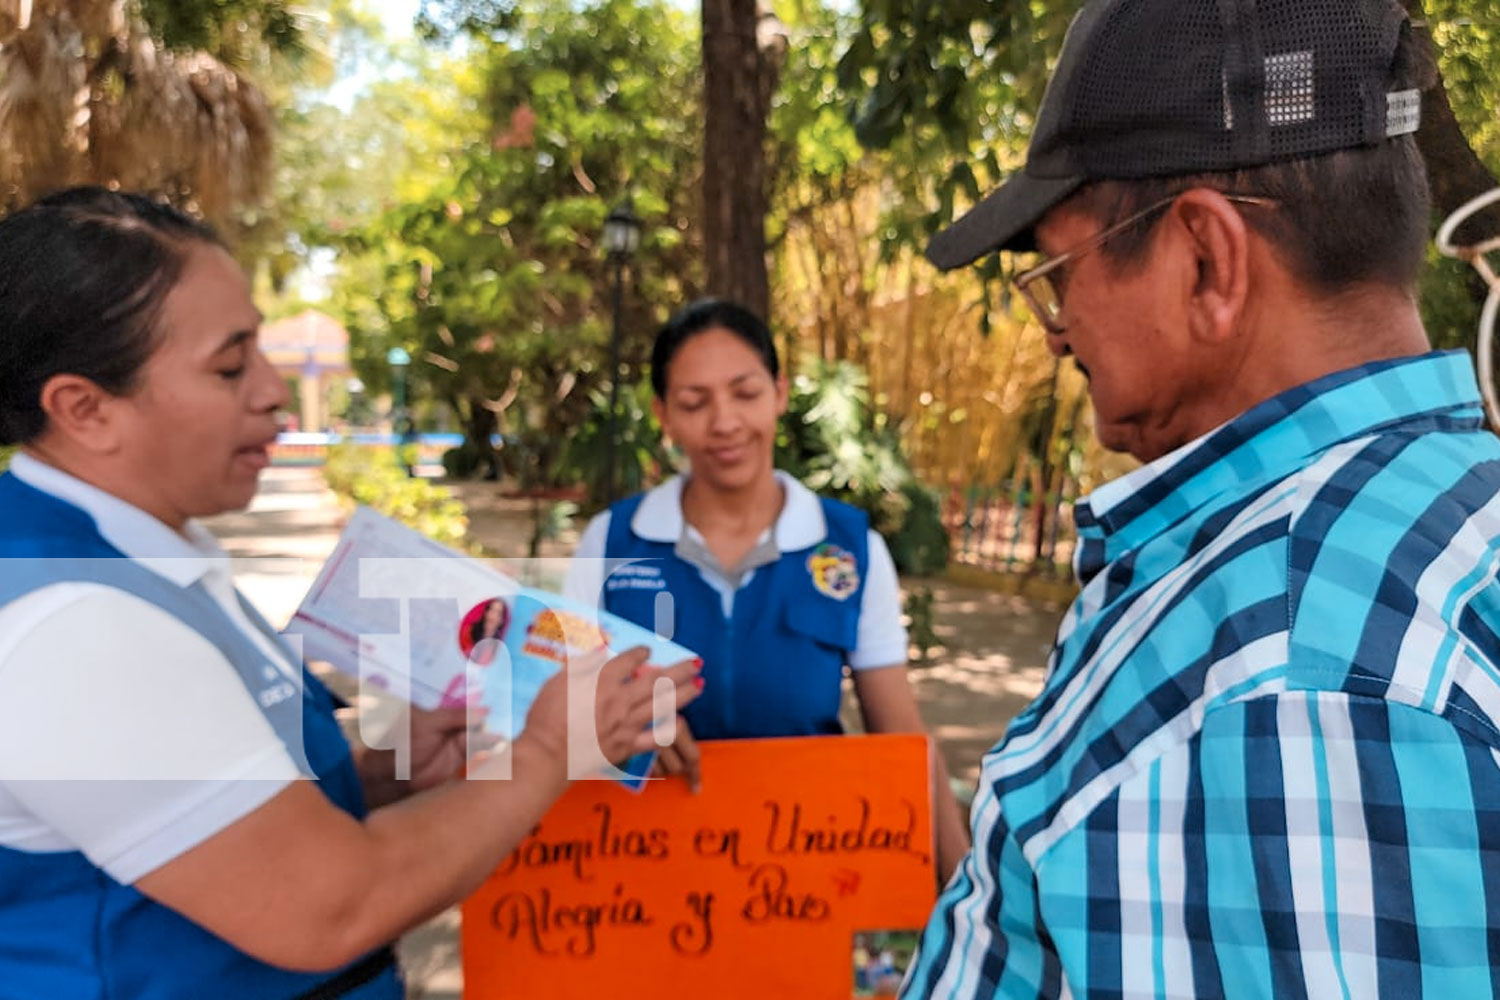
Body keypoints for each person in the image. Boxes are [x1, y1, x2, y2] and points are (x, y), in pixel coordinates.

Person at [901, 0, 1500, 996]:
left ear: (1205, 263)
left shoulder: (1289, 677)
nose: (1056, 330)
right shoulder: (1450, 523)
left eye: (1060, 273)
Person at [0, 187, 702, 998]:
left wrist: (382, 777)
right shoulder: (77, 627)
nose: (272, 391)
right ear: (85, 409)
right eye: (230, 366)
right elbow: (328, 905)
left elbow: (207, 826)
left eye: (259, 351)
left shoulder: (144, 557)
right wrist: (545, 752)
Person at [564, 298, 970, 881]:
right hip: (641, 878)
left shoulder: (850, 549)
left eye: (745, 393)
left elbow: (903, 742)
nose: (725, 422)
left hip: (799, 882)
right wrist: (621, 724)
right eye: (694, 403)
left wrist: (967, 900)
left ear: (779, 393)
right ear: (664, 415)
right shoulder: (612, 542)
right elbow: (553, 710)